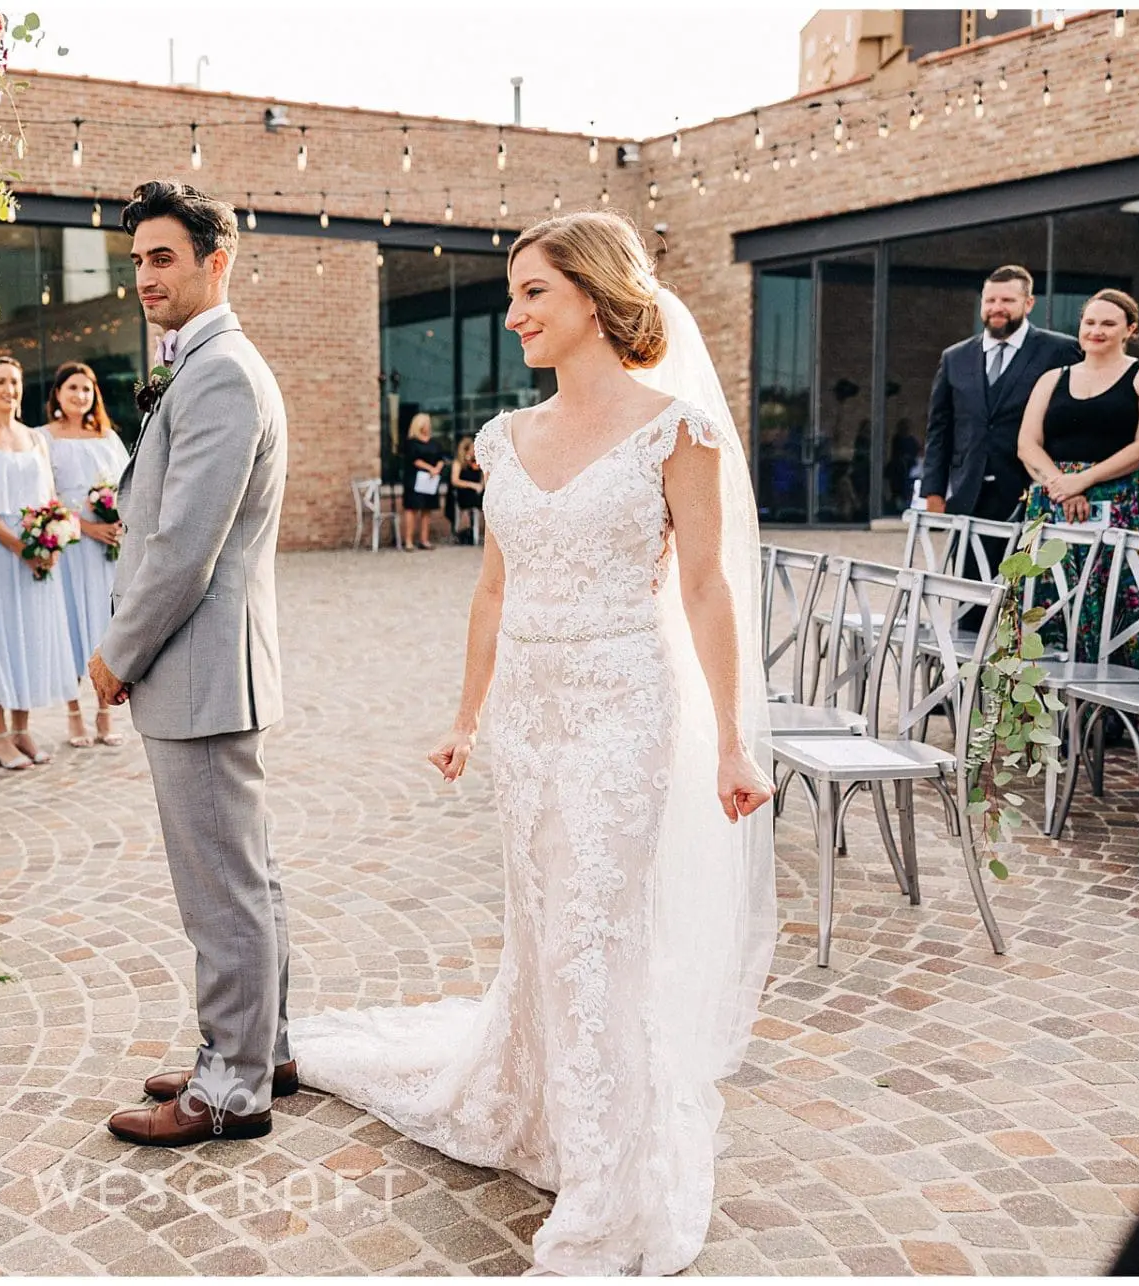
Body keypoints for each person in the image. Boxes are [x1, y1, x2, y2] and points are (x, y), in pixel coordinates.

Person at [289, 212, 777, 1276]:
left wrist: (732, 741)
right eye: (512, 296)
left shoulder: (675, 431)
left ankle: (607, 1186)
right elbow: (493, 590)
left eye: (531, 295)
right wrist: (467, 717)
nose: (512, 316)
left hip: (622, 705)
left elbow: (705, 589)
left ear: (594, 299)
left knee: (599, 921)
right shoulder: (502, 439)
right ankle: (539, 1107)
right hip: (528, 714)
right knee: (542, 916)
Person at [89, 181, 292, 1147]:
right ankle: (263, 1048)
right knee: (244, 874)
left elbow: (183, 547)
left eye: (162, 257)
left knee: (219, 888)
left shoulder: (218, 373)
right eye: (136, 261)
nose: (144, 277)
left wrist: (116, 652)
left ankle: (230, 1087)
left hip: (198, 671)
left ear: (219, 260)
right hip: (214, 668)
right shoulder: (208, 365)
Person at [1017, 289, 1139, 666]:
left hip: (1120, 505)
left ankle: (1113, 719)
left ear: (1130, 329)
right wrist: (1062, 487)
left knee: (1116, 609)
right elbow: (1027, 444)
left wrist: (1083, 481)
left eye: (1108, 323)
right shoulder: (1053, 378)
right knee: (1046, 609)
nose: (1096, 330)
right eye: (1089, 322)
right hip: (1054, 505)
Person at [0, 355, 74, 769]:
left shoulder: (35, 438)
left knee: (30, 639)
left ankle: (23, 729)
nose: (9, 390)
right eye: (0, 382)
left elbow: (50, 497)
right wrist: (19, 547)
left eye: (15, 381)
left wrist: (52, 540)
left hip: (37, 551)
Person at [923, 264, 1081, 520]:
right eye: (990, 300)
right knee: (968, 562)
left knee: (1028, 562)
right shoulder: (955, 357)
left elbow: (1072, 422)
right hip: (968, 496)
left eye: (1007, 300)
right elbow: (939, 430)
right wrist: (934, 492)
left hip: (1034, 493)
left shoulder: (1060, 351)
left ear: (1029, 303)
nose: (997, 307)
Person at [38, 360, 130, 749]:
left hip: (107, 552)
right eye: (73, 388)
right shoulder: (43, 438)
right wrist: (87, 527)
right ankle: (74, 712)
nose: (80, 395)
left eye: (87, 389)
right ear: (57, 394)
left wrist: (118, 523)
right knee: (71, 626)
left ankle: (104, 711)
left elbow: (128, 487)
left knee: (103, 625)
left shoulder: (107, 437)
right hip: (72, 547)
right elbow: (46, 496)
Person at [399, 412, 447, 549]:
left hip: (430, 480)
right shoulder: (411, 443)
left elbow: (441, 457)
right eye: (425, 423)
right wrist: (429, 468)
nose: (428, 426)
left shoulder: (434, 443)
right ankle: (408, 541)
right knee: (412, 509)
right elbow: (414, 460)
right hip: (415, 480)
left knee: (427, 509)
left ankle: (424, 540)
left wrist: (437, 468)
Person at [445, 433, 485, 545]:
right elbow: (455, 480)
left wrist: (481, 484)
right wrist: (472, 485)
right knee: (473, 499)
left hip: (476, 491)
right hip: (464, 493)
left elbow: (481, 478)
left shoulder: (476, 463)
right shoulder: (458, 463)